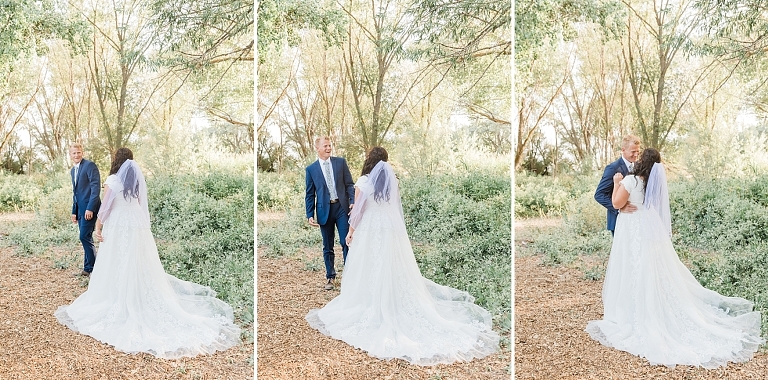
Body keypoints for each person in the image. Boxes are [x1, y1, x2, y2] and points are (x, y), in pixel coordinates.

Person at [306, 147, 499, 365]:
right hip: (388, 230)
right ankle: (392, 298)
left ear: (370, 160)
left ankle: (371, 302)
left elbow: (357, 210)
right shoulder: (391, 181)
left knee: (370, 266)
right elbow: (394, 208)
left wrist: (350, 232)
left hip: (370, 230)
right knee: (390, 266)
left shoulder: (363, 181)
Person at [55, 148, 240, 359]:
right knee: (136, 261)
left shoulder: (113, 180)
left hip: (118, 225)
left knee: (117, 260)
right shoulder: (135, 183)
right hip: (135, 224)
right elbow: (142, 206)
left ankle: (118, 297)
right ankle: (137, 292)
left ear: (117, 161)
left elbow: (105, 207)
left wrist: (98, 227)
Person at [586, 148, 763, 368]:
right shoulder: (651, 183)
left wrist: (616, 182)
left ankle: (632, 311)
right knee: (643, 269)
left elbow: (616, 204)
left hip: (631, 230)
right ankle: (646, 303)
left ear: (643, 162)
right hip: (643, 231)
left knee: (630, 268)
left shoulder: (630, 180)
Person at [305, 136, 355, 290]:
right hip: (324, 211)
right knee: (328, 245)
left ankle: (350, 275)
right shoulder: (311, 169)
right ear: (317, 148)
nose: (328, 148)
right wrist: (310, 214)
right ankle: (330, 277)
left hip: (341, 207)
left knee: (346, 241)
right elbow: (310, 194)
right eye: (325, 146)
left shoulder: (340, 162)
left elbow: (349, 184)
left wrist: (352, 200)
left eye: (329, 145)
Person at [595, 135, 641, 235]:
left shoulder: (638, 166)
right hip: (618, 220)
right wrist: (620, 207)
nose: (636, 154)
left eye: (638, 151)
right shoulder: (613, 168)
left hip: (636, 221)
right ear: (623, 150)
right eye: (633, 152)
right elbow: (599, 194)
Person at [69, 143, 101, 277]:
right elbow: (76, 193)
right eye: (74, 153)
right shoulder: (73, 170)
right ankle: (87, 268)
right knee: (86, 237)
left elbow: (95, 189)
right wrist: (74, 211)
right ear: (70, 155)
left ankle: (94, 268)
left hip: (90, 209)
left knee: (84, 237)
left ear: (82, 152)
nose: (76, 155)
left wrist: (90, 208)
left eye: (78, 152)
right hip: (80, 210)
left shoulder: (90, 166)